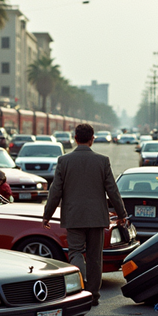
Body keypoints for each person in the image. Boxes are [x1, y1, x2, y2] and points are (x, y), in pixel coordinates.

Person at [42, 123, 127, 306]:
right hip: (96, 217)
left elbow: (55, 191)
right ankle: (93, 295)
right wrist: (122, 214)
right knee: (96, 257)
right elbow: (112, 190)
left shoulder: (64, 161)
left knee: (75, 253)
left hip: (73, 217)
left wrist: (47, 215)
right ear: (92, 138)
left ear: (75, 138)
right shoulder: (102, 161)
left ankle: (79, 289)